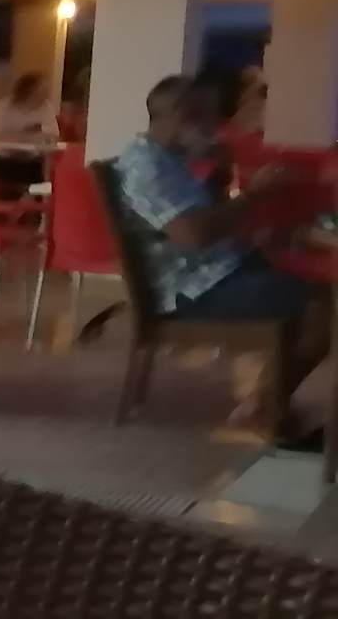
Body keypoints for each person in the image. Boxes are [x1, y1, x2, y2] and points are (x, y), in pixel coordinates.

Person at [115, 74, 329, 432]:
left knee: (302, 273)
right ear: (184, 116)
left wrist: (220, 176)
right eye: (209, 117)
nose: (216, 127)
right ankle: (265, 407)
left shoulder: (167, 159)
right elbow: (195, 235)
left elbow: (202, 220)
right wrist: (255, 194)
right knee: (323, 307)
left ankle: (266, 401)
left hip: (211, 273)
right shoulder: (148, 169)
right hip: (192, 293)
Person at [0, 71, 51, 188]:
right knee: (13, 178)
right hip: (5, 159)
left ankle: (35, 196)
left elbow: (53, 134)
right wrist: (24, 136)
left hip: (33, 161)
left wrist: (45, 137)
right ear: (27, 92)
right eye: (40, 93)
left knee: (45, 174)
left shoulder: (46, 108)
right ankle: (18, 195)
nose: (44, 97)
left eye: (45, 93)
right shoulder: (2, 108)